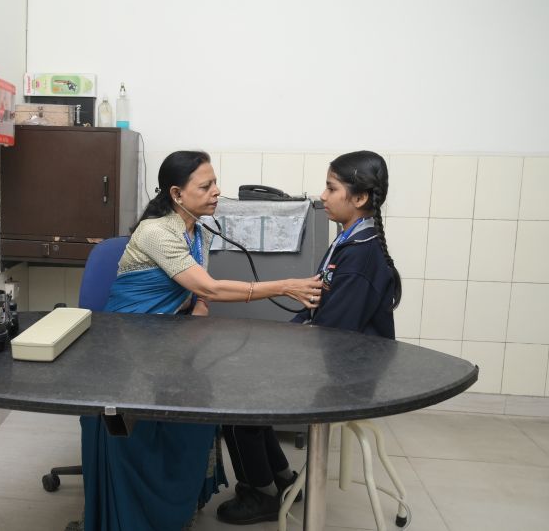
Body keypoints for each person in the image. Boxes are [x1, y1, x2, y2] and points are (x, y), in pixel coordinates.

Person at [76, 150, 324, 531]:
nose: (217, 192)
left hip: (168, 341)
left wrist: (198, 311)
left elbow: (198, 295)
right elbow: (209, 286)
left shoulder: (199, 233)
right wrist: (285, 286)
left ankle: (177, 505)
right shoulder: (156, 232)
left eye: (215, 183)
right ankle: (136, 515)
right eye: (206, 186)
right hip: (127, 345)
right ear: (177, 194)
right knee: (149, 412)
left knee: (200, 403)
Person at [217, 150, 402, 525]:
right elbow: (316, 306)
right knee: (245, 381)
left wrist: (282, 350)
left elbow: (332, 333)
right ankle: (282, 477)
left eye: (332, 188)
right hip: (335, 360)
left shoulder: (361, 256)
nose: (323, 195)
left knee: (237, 400)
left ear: (359, 198)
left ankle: (260, 493)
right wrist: (284, 335)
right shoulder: (348, 242)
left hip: (346, 377)